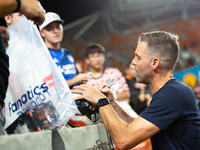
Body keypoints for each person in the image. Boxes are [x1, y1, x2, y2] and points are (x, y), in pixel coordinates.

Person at [72, 31, 200, 149]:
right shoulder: (170, 91)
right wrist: (111, 103)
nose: (133, 62)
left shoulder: (172, 94)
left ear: (154, 63)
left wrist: (100, 101)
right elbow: (135, 127)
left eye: (138, 57)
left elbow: (123, 141)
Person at [0, 0, 45, 135]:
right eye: (21, 15)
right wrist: (20, 4)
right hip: (15, 113)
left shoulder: (31, 46)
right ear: (7, 18)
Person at [39, 12, 91, 89]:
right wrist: (75, 80)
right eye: (50, 29)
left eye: (58, 27)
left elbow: (74, 78)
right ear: (42, 33)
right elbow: (45, 87)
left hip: (75, 98)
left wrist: (80, 80)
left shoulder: (67, 53)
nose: (55, 31)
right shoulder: (40, 56)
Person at [84, 43, 138, 118]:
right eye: (92, 57)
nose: (97, 59)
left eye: (99, 56)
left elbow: (126, 94)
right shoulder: (85, 79)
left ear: (104, 57)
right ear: (87, 60)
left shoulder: (114, 73)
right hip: (99, 118)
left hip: (119, 113)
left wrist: (111, 97)